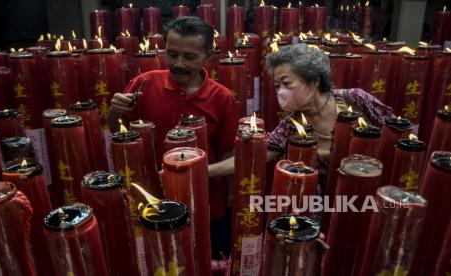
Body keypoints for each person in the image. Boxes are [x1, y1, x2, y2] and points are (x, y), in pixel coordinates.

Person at [108, 16, 238, 258]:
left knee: (210, 259)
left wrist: (231, 193)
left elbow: (226, 150)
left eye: (190, 57)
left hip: (207, 198)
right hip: (151, 194)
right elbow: (118, 133)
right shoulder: (144, 83)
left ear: (208, 56)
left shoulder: (221, 97)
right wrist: (115, 111)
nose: (178, 63)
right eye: (172, 54)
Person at [209, 43, 393, 189]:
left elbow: (396, 135)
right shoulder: (291, 125)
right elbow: (252, 157)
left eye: (286, 83)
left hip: (370, 197)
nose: (280, 92)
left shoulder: (355, 100)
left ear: (314, 80)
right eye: (277, 86)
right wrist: (205, 170)